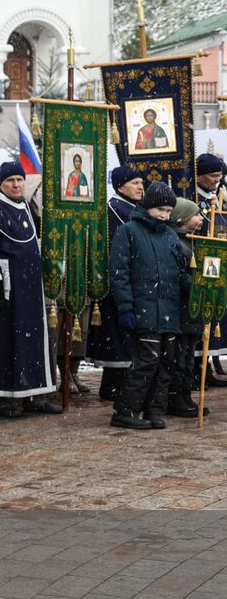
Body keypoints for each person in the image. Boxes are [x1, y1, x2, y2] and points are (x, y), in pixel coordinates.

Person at [0, 163, 57, 416]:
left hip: (29, 287)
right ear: (0, 183)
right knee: (4, 342)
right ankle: (3, 398)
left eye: (20, 179)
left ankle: (34, 393)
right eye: (10, 180)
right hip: (7, 289)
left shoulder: (25, 207)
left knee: (32, 340)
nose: (16, 184)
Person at [109, 181, 188, 430]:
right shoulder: (129, 231)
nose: (165, 215)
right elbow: (119, 273)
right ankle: (126, 410)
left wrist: (199, 289)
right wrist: (125, 307)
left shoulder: (170, 236)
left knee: (166, 363)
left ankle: (155, 410)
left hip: (169, 310)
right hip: (144, 309)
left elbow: (180, 272)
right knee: (147, 361)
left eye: (168, 211)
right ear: (149, 207)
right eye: (161, 210)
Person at [88, 168, 143, 400]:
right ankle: (111, 385)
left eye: (142, 182)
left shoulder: (134, 209)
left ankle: (122, 383)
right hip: (114, 282)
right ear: (120, 186)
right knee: (116, 337)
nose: (141, 187)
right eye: (135, 183)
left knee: (127, 338)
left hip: (134, 281)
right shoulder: (111, 210)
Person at [167, 198, 209, 420]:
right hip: (181, 309)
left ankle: (185, 395)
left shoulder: (191, 241)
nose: (201, 219)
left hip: (191, 310)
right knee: (179, 358)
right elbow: (180, 275)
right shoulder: (175, 242)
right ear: (183, 218)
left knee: (189, 357)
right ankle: (175, 397)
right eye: (196, 215)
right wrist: (198, 286)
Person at [193, 153, 227, 382]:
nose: (216, 180)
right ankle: (196, 369)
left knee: (216, 317)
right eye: (212, 176)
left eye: (219, 176)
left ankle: (208, 366)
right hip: (200, 263)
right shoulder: (192, 197)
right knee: (199, 315)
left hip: (219, 264)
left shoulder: (221, 195)